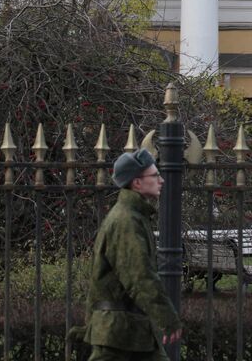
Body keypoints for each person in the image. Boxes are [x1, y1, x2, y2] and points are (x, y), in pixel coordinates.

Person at [80, 148, 182, 361]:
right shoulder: (126, 221)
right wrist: (167, 317)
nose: (161, 180)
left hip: (127, 331)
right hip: (118, 333)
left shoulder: (132, 216)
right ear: (137, 183)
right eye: (154, 175)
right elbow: (139, 276)